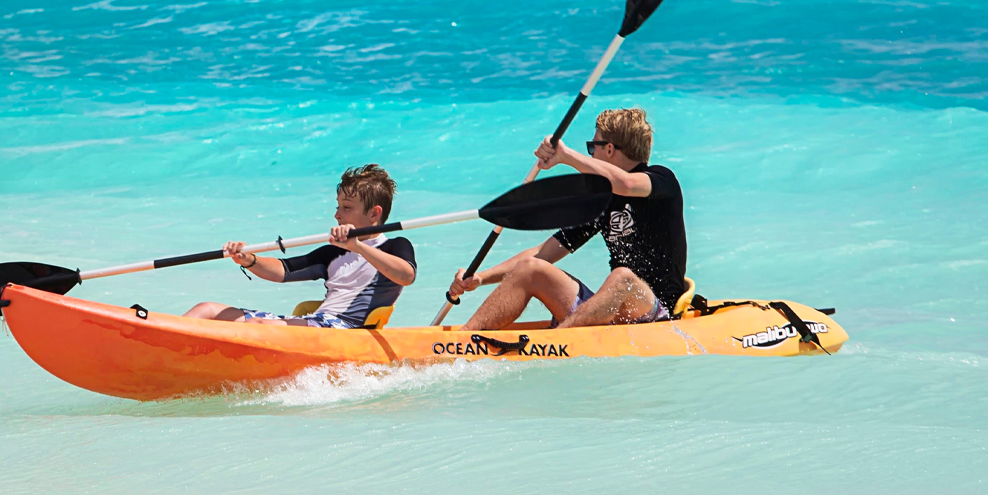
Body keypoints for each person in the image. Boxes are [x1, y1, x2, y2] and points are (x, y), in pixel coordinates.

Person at [448, 108, 686, 330]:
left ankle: (561, 340)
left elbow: (626, 183)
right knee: (530, 268)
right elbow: (543, 252)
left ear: (610, 149)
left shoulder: (660, 180)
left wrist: (565, 155)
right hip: (609, 313)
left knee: (622, 277)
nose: (590, 153)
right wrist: (481, 277)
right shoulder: (599, 201)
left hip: (656, 313)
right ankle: (461, 340)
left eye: (593, 147)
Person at [185, 164, 417, 328]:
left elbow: (405, 276)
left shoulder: (394, 246)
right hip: (317, 322)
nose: (337, 215)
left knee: (258, 326)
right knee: (207, 310)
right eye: (337, 207)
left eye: (346, 208)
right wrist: (249, 260)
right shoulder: (333, 252)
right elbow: (284, 270)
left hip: (345, 331)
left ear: (374, 213)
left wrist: (358, 247)